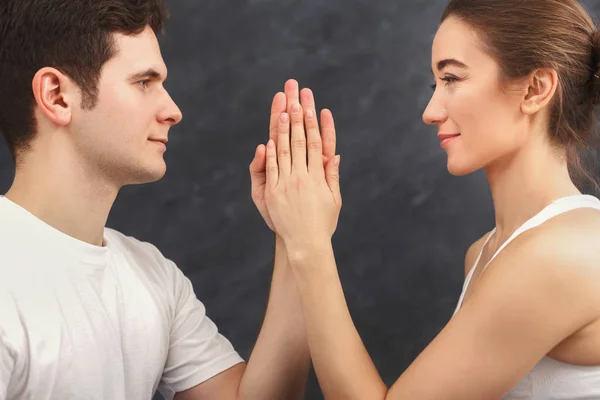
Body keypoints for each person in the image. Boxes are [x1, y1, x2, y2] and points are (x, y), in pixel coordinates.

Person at [250, 0, 600, 398]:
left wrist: (310, 243)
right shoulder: (486, 252)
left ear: (536, 89)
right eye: (436, 84)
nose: (431, 111)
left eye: (452, 78)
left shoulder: (559, 254)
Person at [0, 1, 327, 399]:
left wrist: (296, 236)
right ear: (57, 96)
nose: (173, 110)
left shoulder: (151, 275)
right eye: (143, 82)